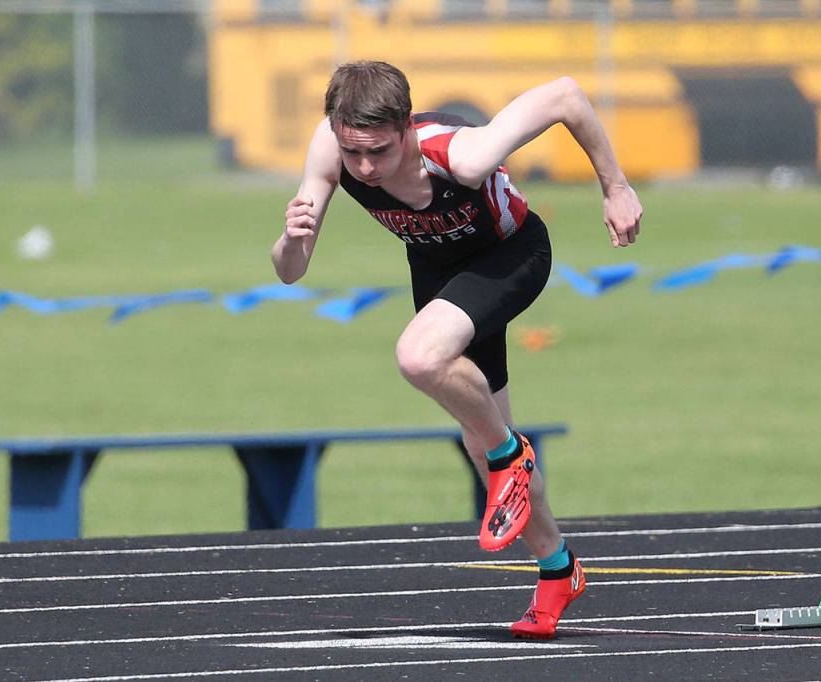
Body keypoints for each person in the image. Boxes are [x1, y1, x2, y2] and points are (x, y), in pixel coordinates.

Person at [271, 61, 642, 639]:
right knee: (479, 437)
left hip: (510, 256)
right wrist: (290, 239)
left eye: (379, 152)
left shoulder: (461, 154)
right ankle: (558, 569)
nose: (364, 168)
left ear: (406, 128)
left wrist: (614, 186)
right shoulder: (330, 146)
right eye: (353, 153)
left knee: (420, 357)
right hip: (439, 271)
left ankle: (510, 455)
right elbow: (290, 272)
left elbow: (567, 95)